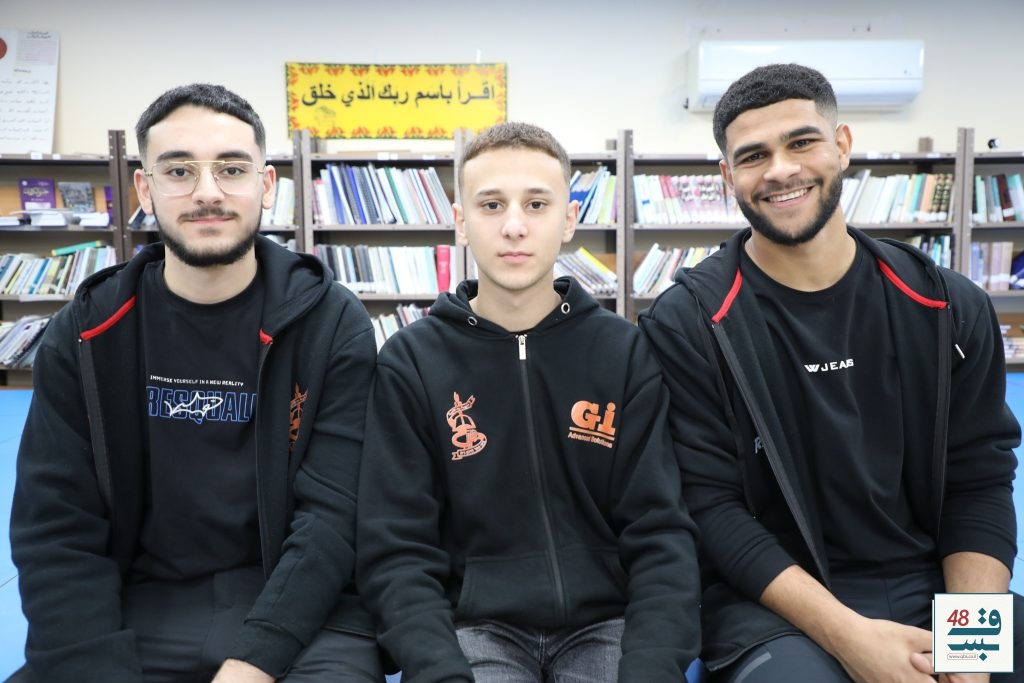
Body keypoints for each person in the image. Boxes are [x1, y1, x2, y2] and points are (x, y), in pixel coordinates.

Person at [639, 62, 1023, 682]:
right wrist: (851, 640)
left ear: (842, 146)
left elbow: (978, 479)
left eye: (801, 142)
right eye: (753, 156)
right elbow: (711, 509)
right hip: (771, 605)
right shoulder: (688, 322)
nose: (780, 170)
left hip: (931, 581)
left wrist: (970, 651)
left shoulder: (948, 305)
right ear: (728, 177)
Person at [8, 83, 382, 682]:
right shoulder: (86, 332)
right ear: (144, 189)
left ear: (266, 185)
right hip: (138, 607)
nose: (207, 192)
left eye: (231, 169)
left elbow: (333, 518)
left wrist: (256, 661)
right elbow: (56, 527)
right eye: (179, 170)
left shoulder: (331, 323)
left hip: (304, 613)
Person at [355, 121, 700, 682]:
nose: (514, 225)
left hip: (609, 624)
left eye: (536, 204)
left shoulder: (623, 352)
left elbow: (660, 531)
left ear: (568, 220)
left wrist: (652, 667)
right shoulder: (410, 362)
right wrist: (439, 671)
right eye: (491, 205)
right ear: (461, 223)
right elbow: (396, 548)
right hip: (474, 629)